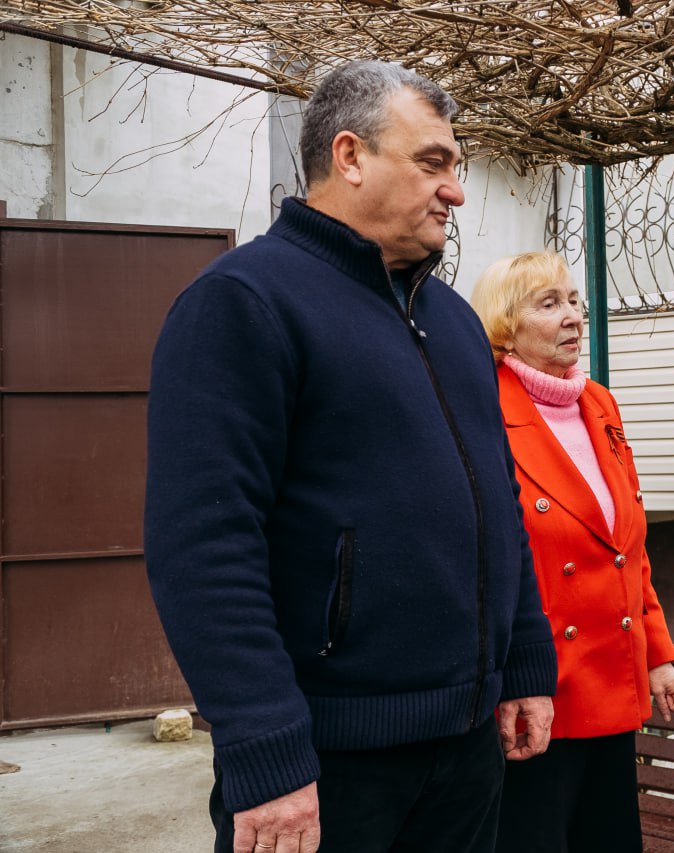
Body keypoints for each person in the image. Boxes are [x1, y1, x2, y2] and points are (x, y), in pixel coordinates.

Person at [144, 61, 557, 853]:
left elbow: (499, 505)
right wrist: (265, 750)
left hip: (466, 747)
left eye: (456, 167)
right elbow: (204, 546)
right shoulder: (243, 304)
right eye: (433, 162)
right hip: (327, 764)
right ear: (350, 156)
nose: (457, 191)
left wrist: (525, 660)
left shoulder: (455, 321)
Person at [469, 251, 674, 853]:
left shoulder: (598, 403)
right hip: (535, 693)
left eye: (574, 300)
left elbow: (628, 546)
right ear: (504, 325)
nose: (572, 317)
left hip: (610, 684)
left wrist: (657, 656)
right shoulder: (481, 407)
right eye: (549, 304)